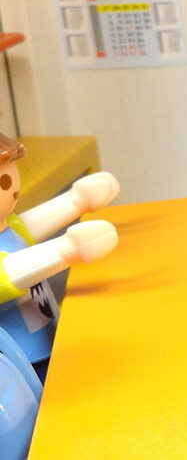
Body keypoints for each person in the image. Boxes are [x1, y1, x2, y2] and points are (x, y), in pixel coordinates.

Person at [0, 133, 119, 375]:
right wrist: (67, 249)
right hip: (21, 364)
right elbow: (10, 272)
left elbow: (30, 226)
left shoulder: (10, 226)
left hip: (54, 338)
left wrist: (78, 200)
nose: (10, 186)